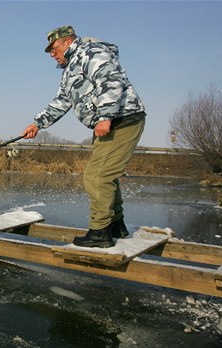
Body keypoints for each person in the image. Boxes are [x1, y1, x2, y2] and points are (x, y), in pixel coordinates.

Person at [22, 25, 146, 248]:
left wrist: (105, 116)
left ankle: (100, 233)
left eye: (54, 47)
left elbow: (111, 79)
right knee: (106, 175)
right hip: (111, 122)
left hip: (122, 119)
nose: (51, 53)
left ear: (68, 42)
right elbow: (61, 101)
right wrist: (37, 123)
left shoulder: (90, 52)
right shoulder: (70, 68)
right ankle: (116, 225)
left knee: (96, 177)